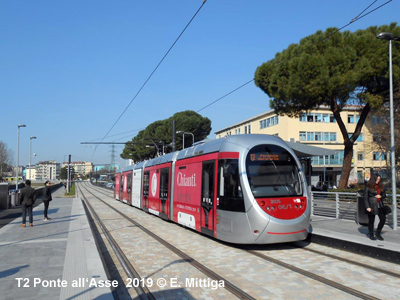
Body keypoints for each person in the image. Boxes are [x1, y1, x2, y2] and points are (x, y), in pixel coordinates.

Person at [363, 174, 386, 240]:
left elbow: (384, 195)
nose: (378, 181)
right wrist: (367, 207)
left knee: (383, 219)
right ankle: (371, 234)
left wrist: (381, 196)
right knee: (371, 221)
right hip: (371, 205)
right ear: (373, 179)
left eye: (379, 180)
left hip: (380, 205)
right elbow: (365, 197)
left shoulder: (380, 186)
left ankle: (378, 233)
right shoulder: (368, 186)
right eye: (377, 179)